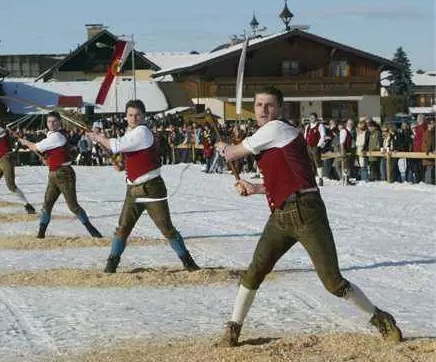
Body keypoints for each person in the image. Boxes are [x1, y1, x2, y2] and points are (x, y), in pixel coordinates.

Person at [214, 86, 402, 346]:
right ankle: (233, 328)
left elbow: (233, 153)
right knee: (254, 271)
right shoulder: (268, 135)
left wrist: (222, 146)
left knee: (333, 282)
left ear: (279, 108)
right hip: (281, 213)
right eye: (259, 105)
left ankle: (380, 318)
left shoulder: (276, 128)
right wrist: (256, 188)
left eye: (269, 105)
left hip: (306, 211)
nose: (263, 110)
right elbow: (282, 178)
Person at [87, 99, 200, 273]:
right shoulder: (130, 132)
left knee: (166, 228)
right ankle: (111, 265)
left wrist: (97, 137)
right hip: (133, 189)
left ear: (144, 116)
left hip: (151, 188)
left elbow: (116, 146)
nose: (134, 118)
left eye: (137, 115)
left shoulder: (142, 131)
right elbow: (130, 154)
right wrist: (122, 165)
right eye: (130, 115)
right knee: (122, 228)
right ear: (126, 116)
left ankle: (188, 262)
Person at [18, 111, 102, 239]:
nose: (51, 124)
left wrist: (25, 142)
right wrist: (48, 158)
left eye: (54, 121)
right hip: (53, 173)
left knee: (73, 206)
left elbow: (36, 147)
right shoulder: (53, 136)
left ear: (59, 122)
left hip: (64, 174)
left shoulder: (56, 136)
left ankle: (93, 230)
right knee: (47, 204)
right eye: (49, 122)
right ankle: (41, 234)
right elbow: (52, 152)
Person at [303, 113, 326, 186]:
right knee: (310, 163)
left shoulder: (320, 125)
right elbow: (305, 136)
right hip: (308, 146)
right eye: (310, 117)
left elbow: (323, 136)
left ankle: (320, 178)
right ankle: (312, 179)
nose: (311, 119)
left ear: (316, 118)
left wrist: (319, 145)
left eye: (313, 117)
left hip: (315, 146)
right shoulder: (308, 126)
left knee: (317, 162)